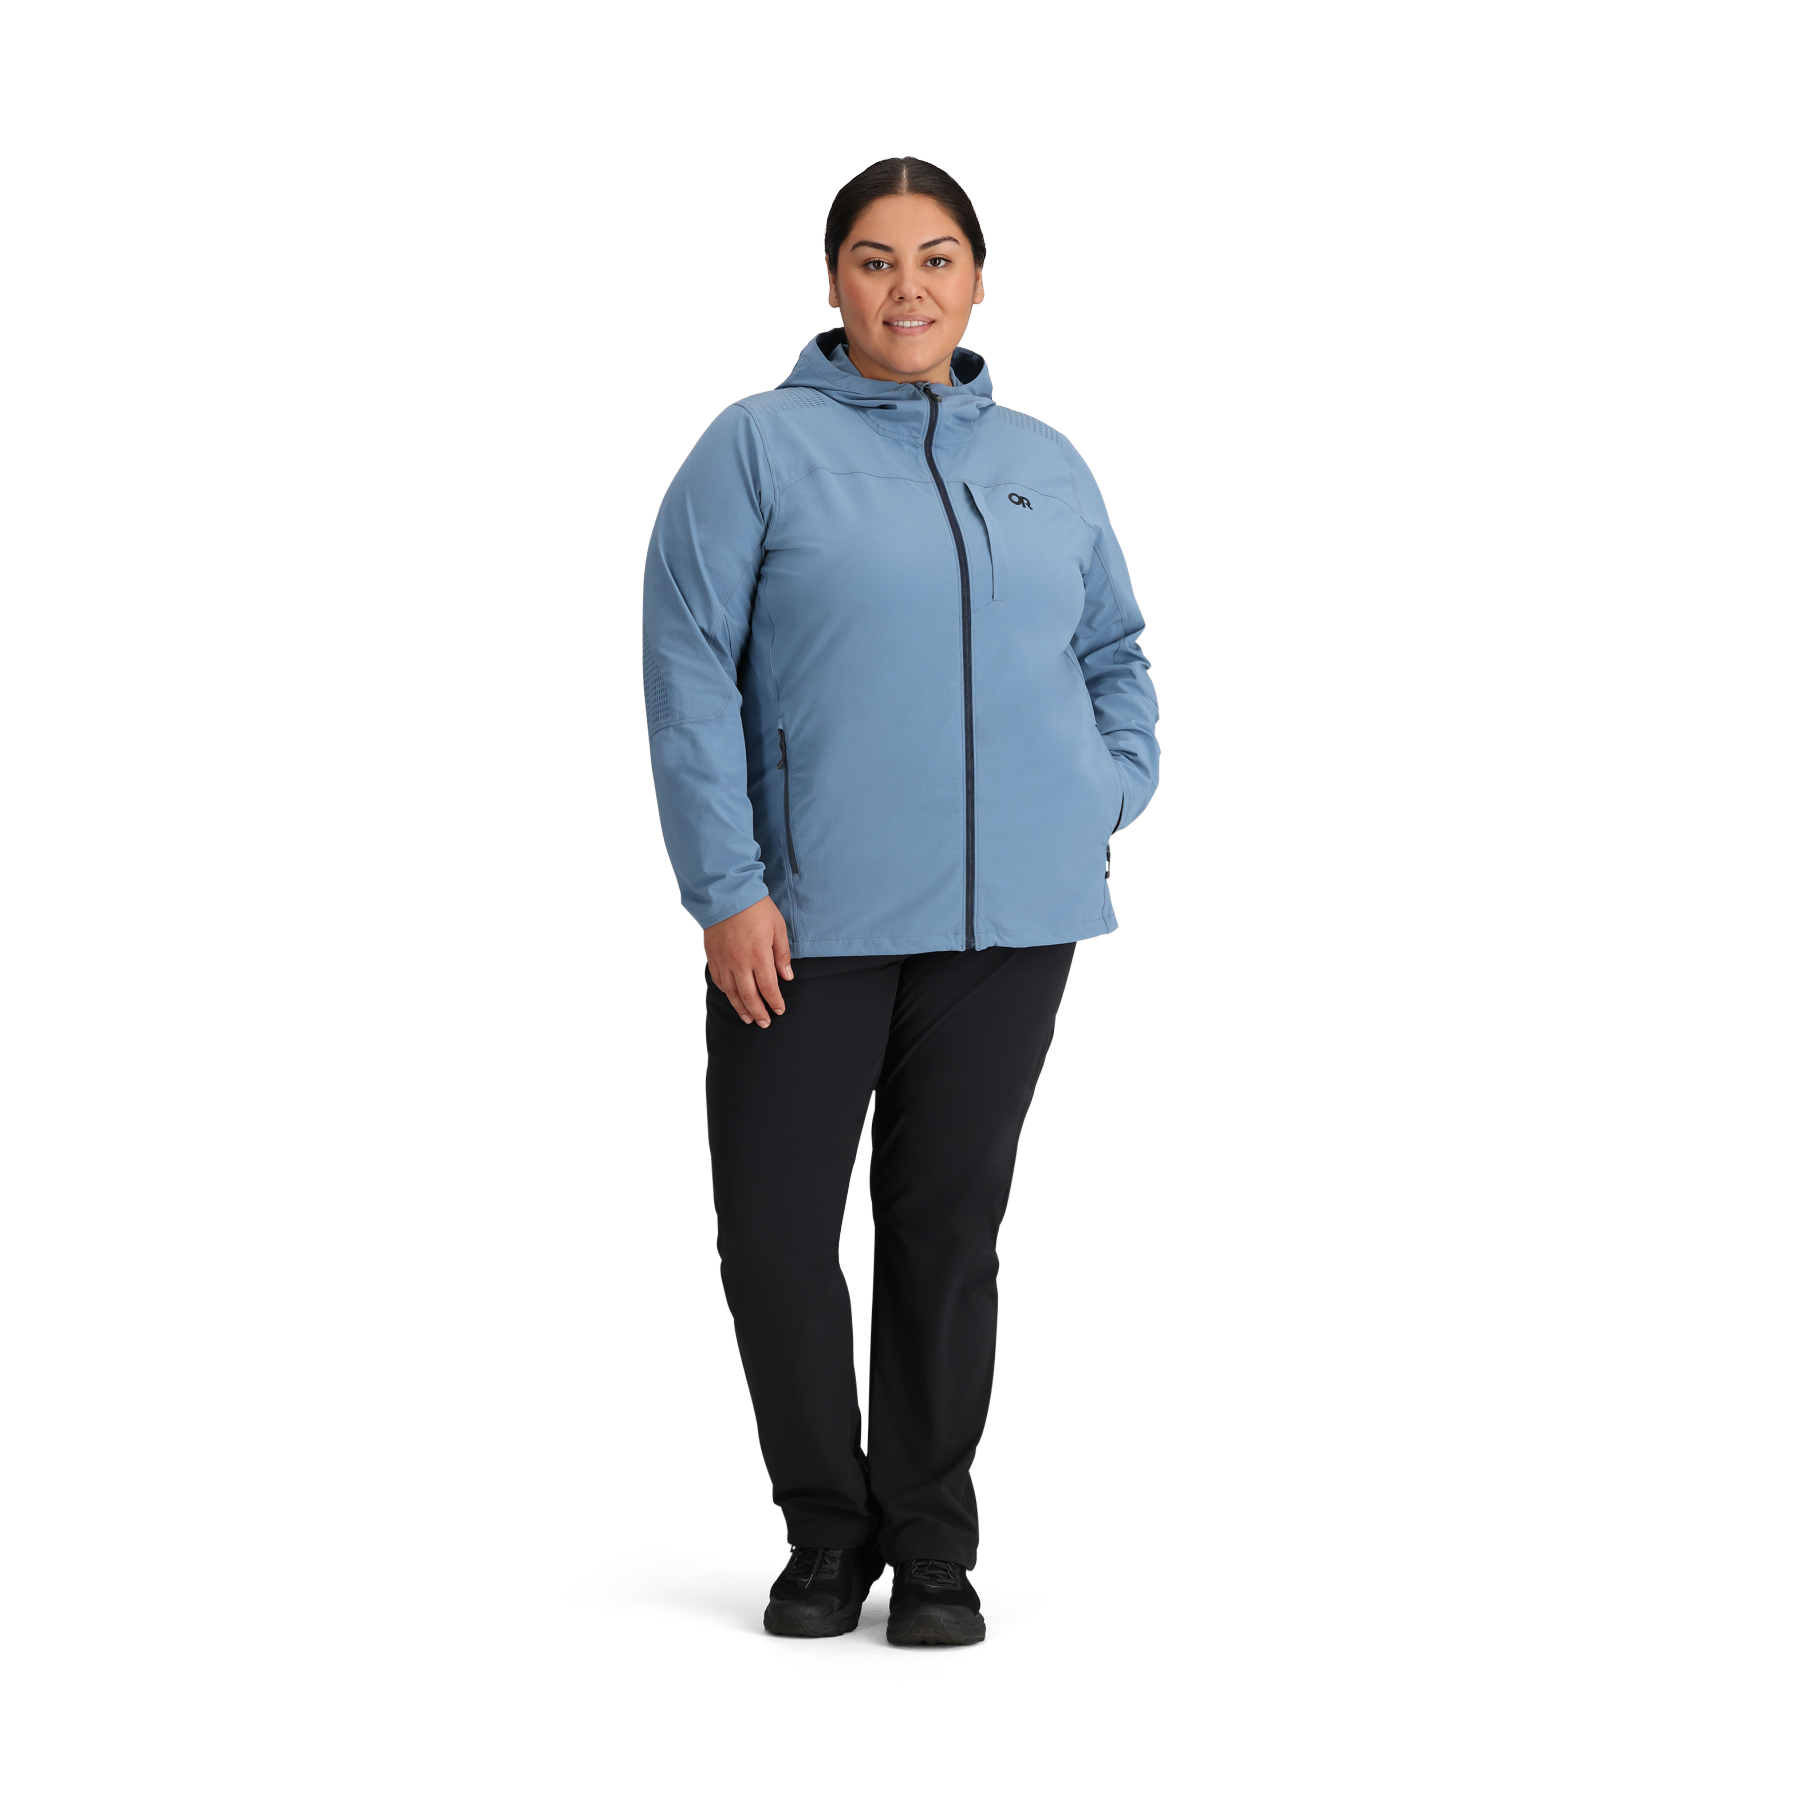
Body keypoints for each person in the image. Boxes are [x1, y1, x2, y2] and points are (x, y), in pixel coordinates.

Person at [640, 156, 1161, 1646]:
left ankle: (932, 1544)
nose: (908, 286)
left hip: (1014, 924)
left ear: (979, 282)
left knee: (946, 1235)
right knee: (776, 1238)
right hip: (807, 923)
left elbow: (1114, 648)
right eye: (875, 259)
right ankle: (826, 1531)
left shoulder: (1046, 461)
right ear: (833, 283)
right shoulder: (756, 448)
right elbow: (686, 668)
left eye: (938, 258)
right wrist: (725, 889)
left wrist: (1105, 788)